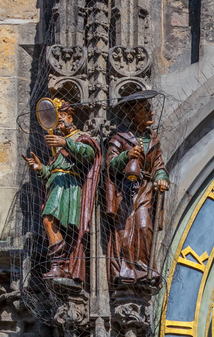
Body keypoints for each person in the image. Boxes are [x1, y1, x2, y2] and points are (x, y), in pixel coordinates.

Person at [23, 99, 101, 283]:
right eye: (56, 120)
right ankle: (59, 264)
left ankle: (61, 263)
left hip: (69, 186)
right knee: (50, 221)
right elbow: (53, 170)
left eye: (61, 118)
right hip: (56, 184)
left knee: (50, 220)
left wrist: (65, 142)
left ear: (69, 116)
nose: (59, 123)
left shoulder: (80, 137)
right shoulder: (57, 146)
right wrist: (40, 168)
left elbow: (89, 154)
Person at [105, 90, 170, 286]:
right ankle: (126, 269)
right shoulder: (120, 137)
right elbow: (110, 164)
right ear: (133, 114)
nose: (151, 113)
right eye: (145, 109)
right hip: (125, 191)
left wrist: (161, 178)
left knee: (144, 227)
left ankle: (143, 268)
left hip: (145, 191)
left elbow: (159, 165)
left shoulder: (153, 139)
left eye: (150, 109)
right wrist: (127, 156)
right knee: (125, 231)